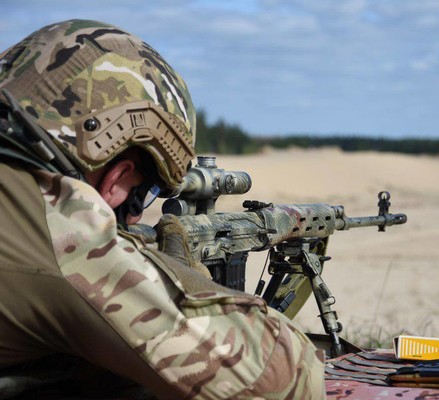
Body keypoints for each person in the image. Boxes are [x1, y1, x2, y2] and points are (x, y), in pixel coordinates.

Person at [0, 19, 325, 399]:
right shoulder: (58, 227)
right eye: (148, 192)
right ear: (118, 178)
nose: (136, 217)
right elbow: (284, 378)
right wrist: (187, 282)